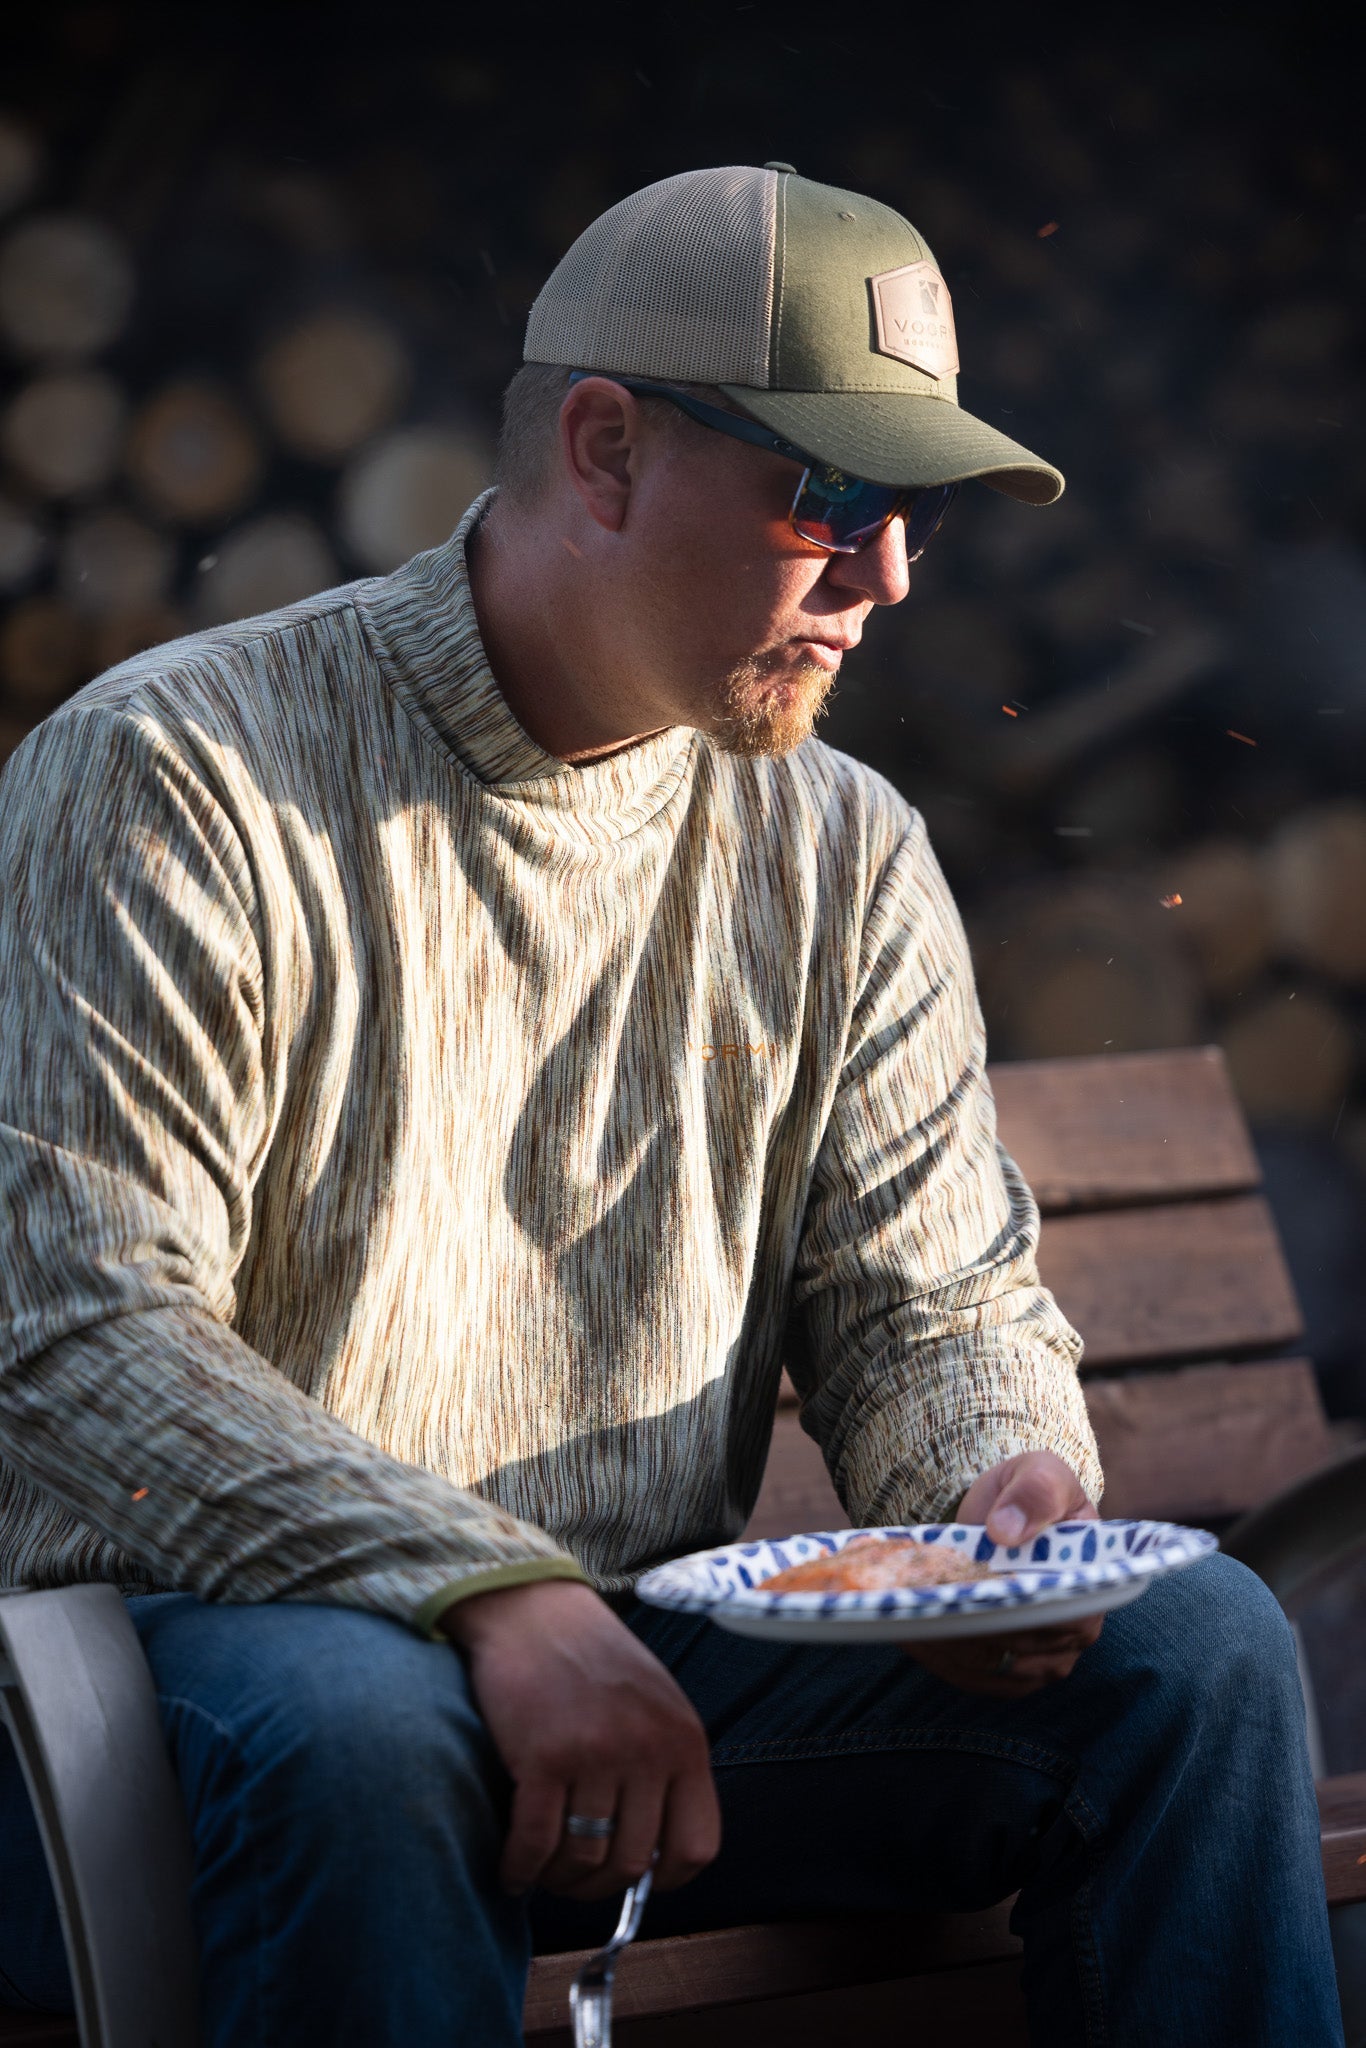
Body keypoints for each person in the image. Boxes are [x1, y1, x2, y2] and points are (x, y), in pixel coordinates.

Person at [0, 164, 1342, 2047]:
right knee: (375, 1735)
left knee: (1194, 1656)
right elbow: (79, 1340)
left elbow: (931, 1307)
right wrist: (487, 1592)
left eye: (916, 515)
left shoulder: (842, 851)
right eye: (837, 498)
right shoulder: (173, 778)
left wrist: (994, 1494)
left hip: (631, 1674)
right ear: (608, 450)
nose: (886, 579)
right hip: (188, 1677)